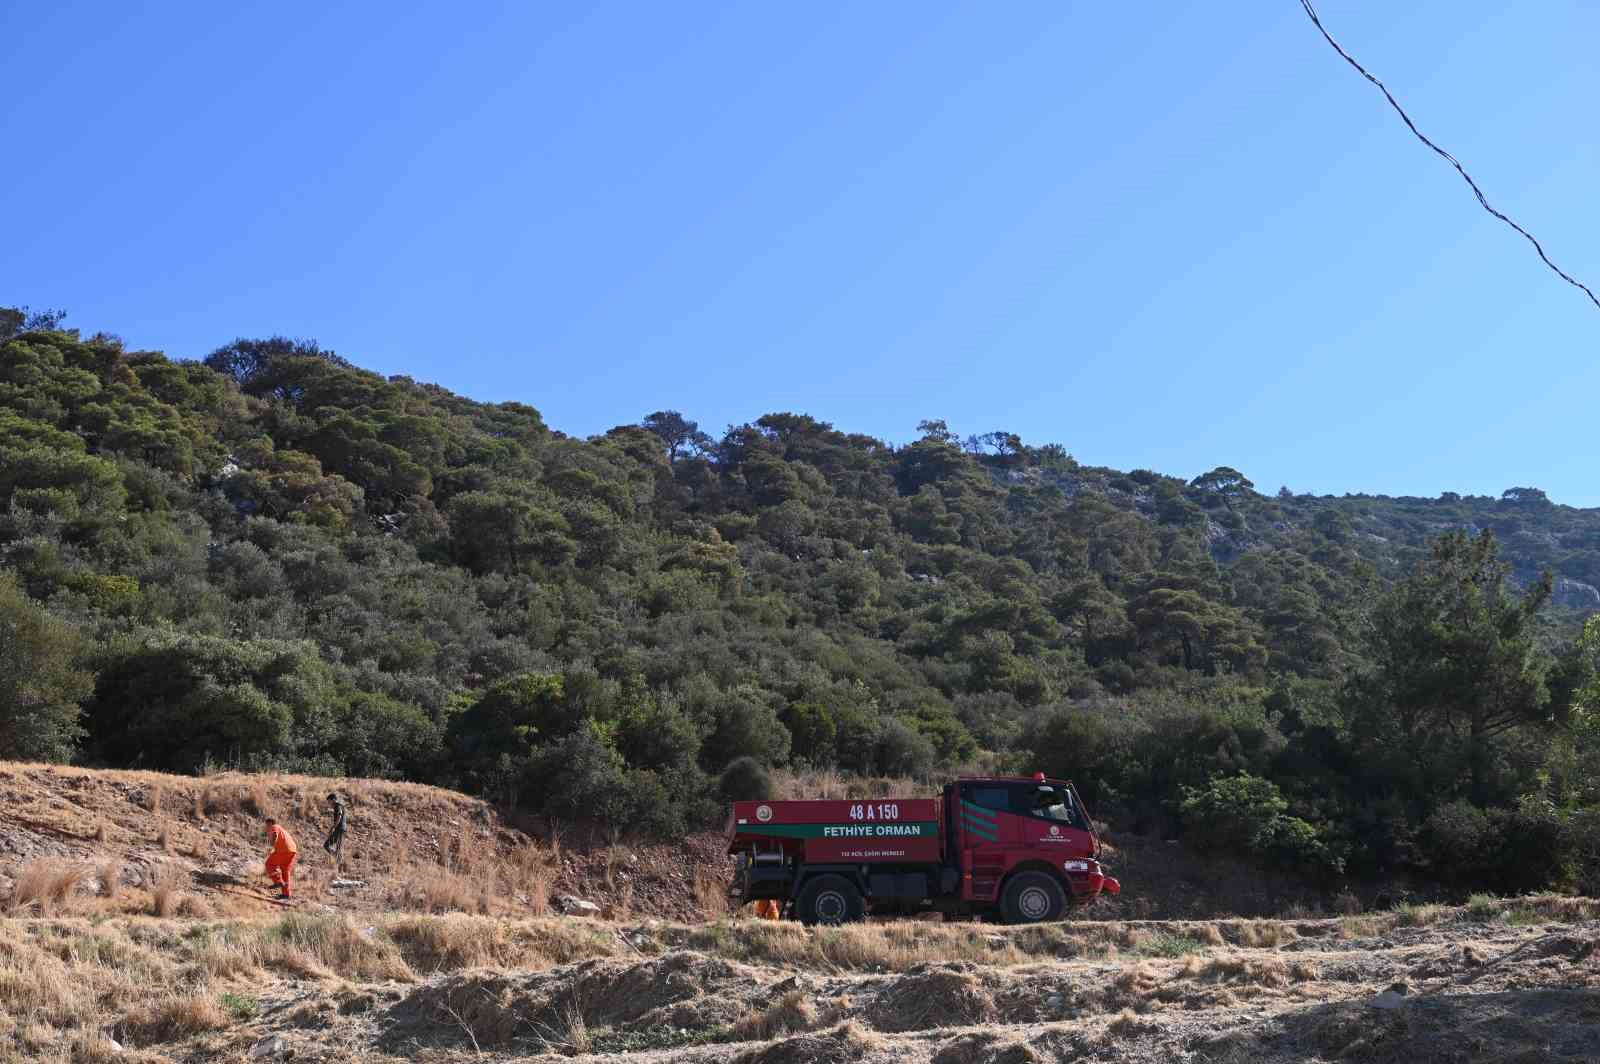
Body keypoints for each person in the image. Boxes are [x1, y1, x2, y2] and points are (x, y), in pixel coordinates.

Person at [264, 816, 299, 900]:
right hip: (292, 851)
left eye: (267, 825)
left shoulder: (274, 826)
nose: (266, 827)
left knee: (269, 864)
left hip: (284, 850)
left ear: (270, 823)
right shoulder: (282, 830)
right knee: (285, 871)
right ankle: (286, 894)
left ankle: (278, 882)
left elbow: (275, 834)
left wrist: (272, 843)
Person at [323, 792, 347, 869]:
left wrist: (333, 827)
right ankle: (339, 861)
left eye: (329, 801)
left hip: (339, 829)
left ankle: (338, 859)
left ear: (333, 800)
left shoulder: (338, 806)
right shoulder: (339, 806)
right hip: (342, 829)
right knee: (337, 847)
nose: (329, 803)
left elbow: (339, 817)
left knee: (327, 845)